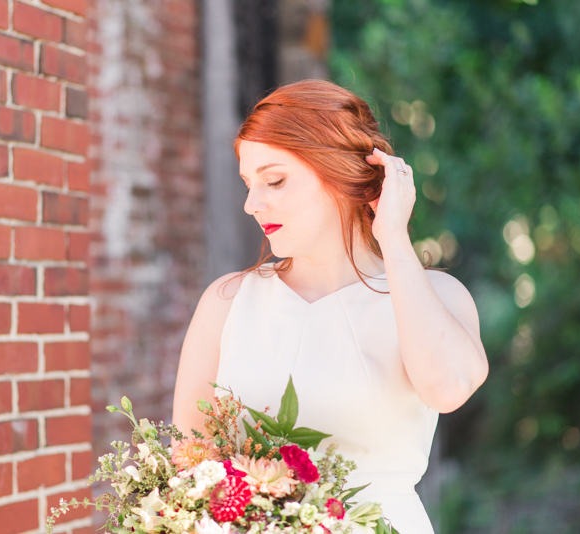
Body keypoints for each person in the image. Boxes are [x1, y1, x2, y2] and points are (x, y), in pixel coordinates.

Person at [172, 79, 488, 533]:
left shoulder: (436, 294)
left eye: (274, 180)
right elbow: (191, 465)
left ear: (339, 173)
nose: (251, 204)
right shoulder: (226, 302)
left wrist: (393, 237)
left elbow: (449, 387)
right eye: (248, 183)